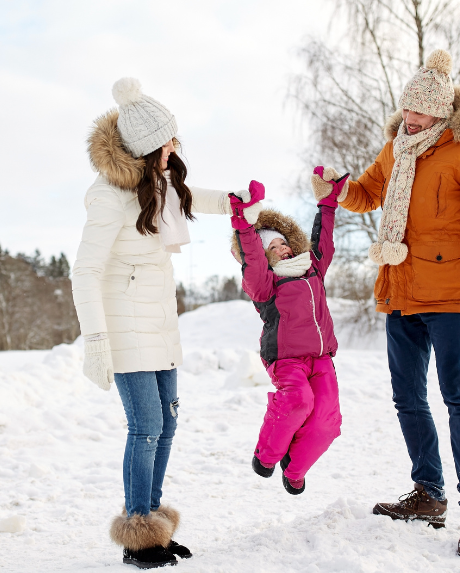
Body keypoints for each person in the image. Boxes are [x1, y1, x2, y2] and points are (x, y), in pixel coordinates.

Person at [317, 50, 460, 558]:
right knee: (407, 399)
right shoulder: (397, 148)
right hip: (400, 291)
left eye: (421, 113)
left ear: (444, 112)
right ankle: (429, 494)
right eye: (407, 109)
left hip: (450, 295)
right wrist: (338, 188)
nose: (410, 119)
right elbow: (367, 192)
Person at [72, 78, 262, 569]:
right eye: (168, 139)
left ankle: (153, 520)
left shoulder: (159, 185)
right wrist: (95, 341)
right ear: (146, 146)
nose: (175, 146)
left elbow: (192, 195)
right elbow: (85, 271)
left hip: (158, 322)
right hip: (123, 325)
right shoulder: (109, 197)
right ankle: (138, 533)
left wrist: (236, 200)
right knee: (147, 426)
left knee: (168, 423)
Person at [228, 171, 345, 496]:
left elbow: (323, 239)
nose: (280, 249)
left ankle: (295, 468)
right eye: (272, 247)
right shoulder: (264, 284)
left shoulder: (312, 269)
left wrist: (327, 203)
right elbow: (251, 258)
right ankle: (266, 455)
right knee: (298, 401)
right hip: (286, 359)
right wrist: (245, 227)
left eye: (283, 242)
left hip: (321, 358)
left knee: (327, 421)